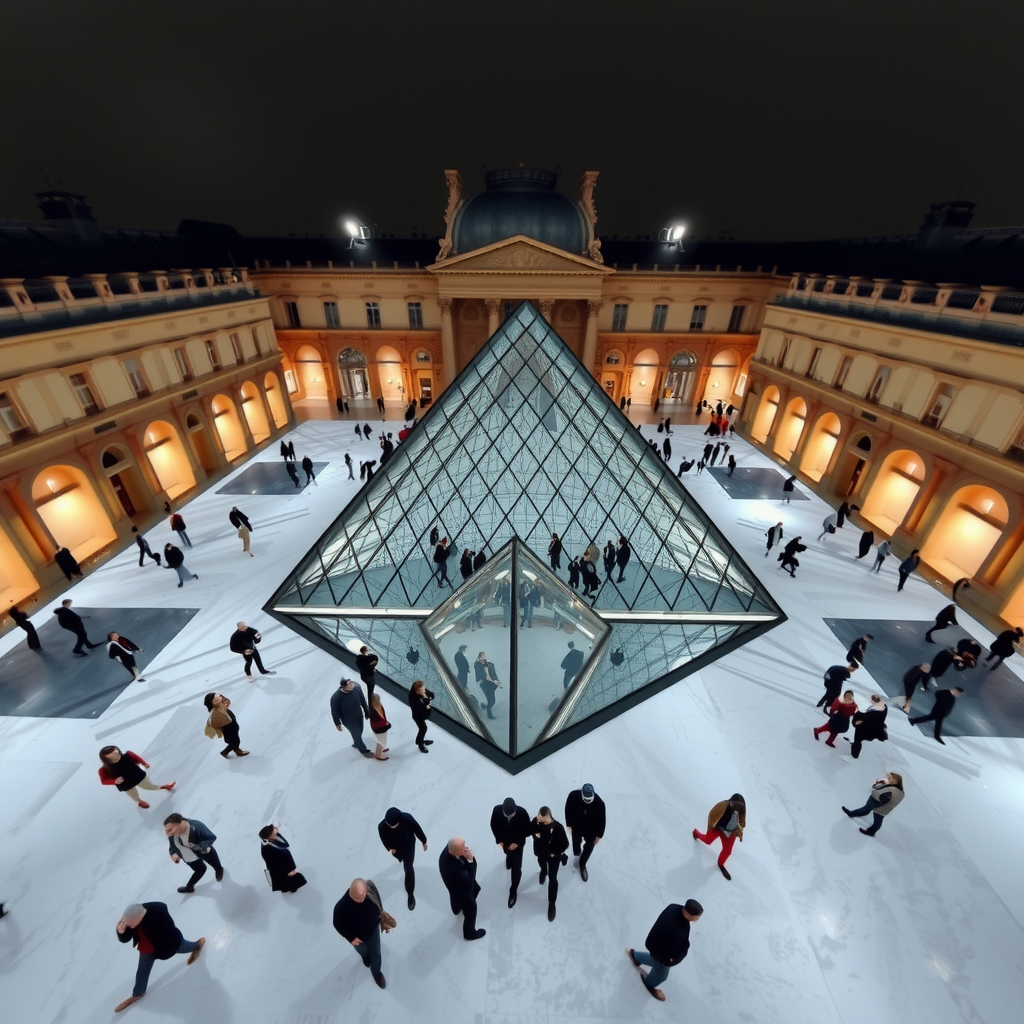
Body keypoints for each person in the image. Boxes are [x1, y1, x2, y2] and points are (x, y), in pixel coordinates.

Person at [113, 902, 205, 1013]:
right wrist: (121, 932)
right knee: (142, 972)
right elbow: (126, 938)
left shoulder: (157, 914)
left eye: (132, 925)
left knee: (183, 946)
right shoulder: (131, 918)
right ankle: (138, 993)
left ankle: (197, 946)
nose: (131, 927)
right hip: (146, 949)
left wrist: (163, 952)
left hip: (168, 944)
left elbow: (169, 930)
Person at [626, 899, 703, 1002]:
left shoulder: (674, 907)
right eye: (697, 917)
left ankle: (635, 956)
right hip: (661, 952)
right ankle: (649, 984)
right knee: (661, 975)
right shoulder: (677, 932)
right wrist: (677, 957)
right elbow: (668, 957)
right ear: (691, 916)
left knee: (654, 959)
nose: (698, 919)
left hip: (654, 942)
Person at [333, 878, 388, 989]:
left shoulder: (370, 892)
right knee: (363, 951)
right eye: (357, 898)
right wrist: (350, 938)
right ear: (350, 893)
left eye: (363, 895)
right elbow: (337, 924)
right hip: (357, 938)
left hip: (373, 931)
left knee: (376, 953)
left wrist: (381, 917)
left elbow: (378, 904)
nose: (361, 899)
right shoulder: (340, 908)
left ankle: (376, 973)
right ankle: (366, 958)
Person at [378, 807, 427, 911]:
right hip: (397, 850)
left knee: (408, 868)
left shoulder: (406, 818)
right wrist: (389, 849)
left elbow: (417, 828)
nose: (391, 826)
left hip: (408, 846)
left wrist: (424, 840)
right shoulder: (382, 826)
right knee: (401, 860)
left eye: (393, 825)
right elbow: (384, 839)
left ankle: (410, 893)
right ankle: (400, 860)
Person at [163, 813, 224, 893]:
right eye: (167, 831)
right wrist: (173, 853)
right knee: (200, 870)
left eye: (170, 830)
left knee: (213, 861)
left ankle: (219, 870)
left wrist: (199, 847)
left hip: (203, 849)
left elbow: (211, 837)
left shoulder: (197, 826)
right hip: (188, 856)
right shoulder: (172, 834)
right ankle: (189, 887)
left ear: (178, 825)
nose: (168, 834)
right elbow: (172, 844)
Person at [439, 837, 485, 940]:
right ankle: (469, 933)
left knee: (453, 895)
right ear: (454, 851)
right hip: (462, 892)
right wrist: (470, 860)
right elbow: (469, 882)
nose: (466, 849)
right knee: (471, 909)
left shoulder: (447, 851)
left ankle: (456, 909)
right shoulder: (456, 870)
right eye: (463, 848)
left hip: (452, 886)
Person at [98, 746, 174, 808]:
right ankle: (139, 801)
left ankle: (163, 787)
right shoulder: (104, 769)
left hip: (137, 775)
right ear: (106, 759)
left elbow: (136, 758)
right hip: (126, 783)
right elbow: (104, 781)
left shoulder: (128, 755)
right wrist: (114, 781)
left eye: (117, 754)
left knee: (149, 786)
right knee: (133, 794)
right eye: (112, 757)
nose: (116, 757)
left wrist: (144, 763)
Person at [692, 794, 746, 880]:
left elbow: (741, 823)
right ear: (732, 801)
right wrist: (710, 829)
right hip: (718, 828)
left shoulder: (740, 811)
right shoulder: (723, 805)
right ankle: (696, 833)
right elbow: (712, 815)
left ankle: (720, 864)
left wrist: (739, 832)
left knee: (727, 851)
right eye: (737, 804)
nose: (738, 807)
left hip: (730, 832)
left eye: (741, 806)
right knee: (708, 840)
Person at [490, 797, 531, 908]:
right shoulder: (497, 810)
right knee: (508, 854)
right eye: (507, 815)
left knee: (516, 868)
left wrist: (517, 843)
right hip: (505, 842)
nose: (509, 817)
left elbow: (528, 831)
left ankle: (513, 891)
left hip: (517, 845)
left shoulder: (522, 813)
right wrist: (500, 841)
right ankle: (508, 859)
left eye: (511, 815)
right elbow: (493, 825)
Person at [530, 806, 569, 921]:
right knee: (541, 864)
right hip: (541, 853)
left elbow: (565, 844)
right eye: (539, 818)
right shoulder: (535, 823)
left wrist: (554, 852)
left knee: (552, 878)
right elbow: (531, 832)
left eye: (544, 819)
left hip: (553, 856)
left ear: (550, 817)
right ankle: (543, 871)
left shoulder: (558, 827)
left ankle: (552, 903)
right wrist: (536, 836)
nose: (541, 821)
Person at [564, 783, 605, 882]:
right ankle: (576, 855)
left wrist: (599, 835)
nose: (587, 802)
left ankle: (582, 864)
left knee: (589, 846)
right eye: (585, 800)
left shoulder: (599, 803)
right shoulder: (573, 796)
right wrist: (569, 824)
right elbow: (568, 809)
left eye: (589, 800)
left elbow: (602, 820)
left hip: (592, 829)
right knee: (576, 843)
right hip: (577, 826)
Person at [842, 772, 904, 837]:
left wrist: (878, 798)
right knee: (869, 812)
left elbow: (885, 796)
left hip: (879, 804)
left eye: (891, 778)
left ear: (897, 780)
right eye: (889, 778)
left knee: (876, 818)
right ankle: (851, 814)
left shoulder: (896, 790)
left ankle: (871, 831)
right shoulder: (896, 789)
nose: (889, 780)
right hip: (879, 803)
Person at [330, 678, 373, 756]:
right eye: (349, 685)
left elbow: (362, 700)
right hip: (347, 719)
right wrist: (337, 723)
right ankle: (363, 749)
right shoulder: (336, 697)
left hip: (358, 714)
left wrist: (366, 710)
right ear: (343, 687)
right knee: (356, 733)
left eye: (351, 683)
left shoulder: (357, 688)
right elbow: (334, 712)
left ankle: (356, 743)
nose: (352, 685)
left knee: (360, 730)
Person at [259, 825, 307, 893]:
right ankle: (288, 889)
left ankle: (289, 887)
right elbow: (272, 865)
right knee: (291, 885)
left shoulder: (274, 839)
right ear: (270, 835)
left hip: (288, 868)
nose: (275, 829)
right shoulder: (266, 848)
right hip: (284, 872)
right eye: (273, 830)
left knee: (295, 882)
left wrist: (276, 834)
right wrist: (288, 873)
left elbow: (285, 844)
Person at [203, 692, 248, 756]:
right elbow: (216, 723)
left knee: (235, 741)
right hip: (229, 730)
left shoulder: (220, 708)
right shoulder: (215, 713)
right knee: (234, 742)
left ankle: (235, 750)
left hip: (232, 728)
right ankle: (226, 752)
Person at [849, 694, 888, 758]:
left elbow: (865, 718)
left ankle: (854, 755)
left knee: (858, 740)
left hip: (867, 730)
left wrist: (857, 716)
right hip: (877, 729)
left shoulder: (873, 712)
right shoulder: (884, 707)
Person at [409, 679, 434, 752]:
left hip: (419, 713)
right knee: (423, 728)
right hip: (417, 716)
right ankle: (420, 743)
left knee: (422, 728)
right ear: (418, 691)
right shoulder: (415, 701)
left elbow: (431, 695)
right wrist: (427, 706)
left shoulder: (419, 692)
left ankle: (421, 741)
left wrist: (426, 696)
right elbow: (424, 712)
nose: (424, 690)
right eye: (422, 690)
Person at [475, 652, 500, 719]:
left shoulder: (491, 665)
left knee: (491, 700)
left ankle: (485, 706)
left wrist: (497, 681)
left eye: (484, 656)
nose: (483, 657)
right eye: (481, 656)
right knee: (491, 700)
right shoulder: (478, 665)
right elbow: (479, 672)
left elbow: (494, 674)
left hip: (491, 684)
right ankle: (489, 715)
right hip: (485, 684)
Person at [369, 692, 391, 761]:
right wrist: (387, 726)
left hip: (381, 728)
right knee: (381, 742)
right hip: (379, 730)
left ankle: (381, 749)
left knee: (380, 741)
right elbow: (378, 725)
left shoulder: (378, 705)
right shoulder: (373, 712)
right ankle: (378, 755)